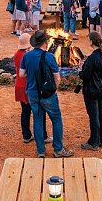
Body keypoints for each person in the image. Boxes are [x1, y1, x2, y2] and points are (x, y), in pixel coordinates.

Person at [19, 30, 74, 158]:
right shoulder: (49, 56)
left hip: (32, 93)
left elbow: (21, 74)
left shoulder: (27, 56)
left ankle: (41, 151)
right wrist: (54, 89)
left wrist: (32, 75)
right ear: (45, 42)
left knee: (37, 119)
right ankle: (58, 149)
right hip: (47, 94)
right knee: (56, 119)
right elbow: (57, 77)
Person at [13, 34, 50, 144]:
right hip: (29, 86)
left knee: (25, 111)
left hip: (19, 85)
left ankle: (26, 135)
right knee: (39, 111)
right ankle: (43, 135)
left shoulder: (16, 54)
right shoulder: (27, 55)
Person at [79, 31, 102, 150]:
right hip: (101, 89)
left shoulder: (93, 58)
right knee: (101, 114)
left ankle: (94, 142)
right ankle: (101, 139)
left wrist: (80, 71)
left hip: (92, 90)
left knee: (93, 116)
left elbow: (85, 75)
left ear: (92, 42)